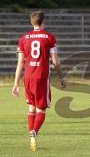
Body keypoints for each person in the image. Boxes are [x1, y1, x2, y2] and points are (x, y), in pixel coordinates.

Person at [12, 11, 65, 151]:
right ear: (43, 22)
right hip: (41, 77)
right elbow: (55, 62)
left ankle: (31, 139)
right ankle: (34, 133)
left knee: (31, 108)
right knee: (41, 109)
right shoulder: (49, 37)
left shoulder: (23, 38)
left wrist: (16, 84)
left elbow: (20, 64)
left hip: (28, 77)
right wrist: (61, 77)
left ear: (31, 22)